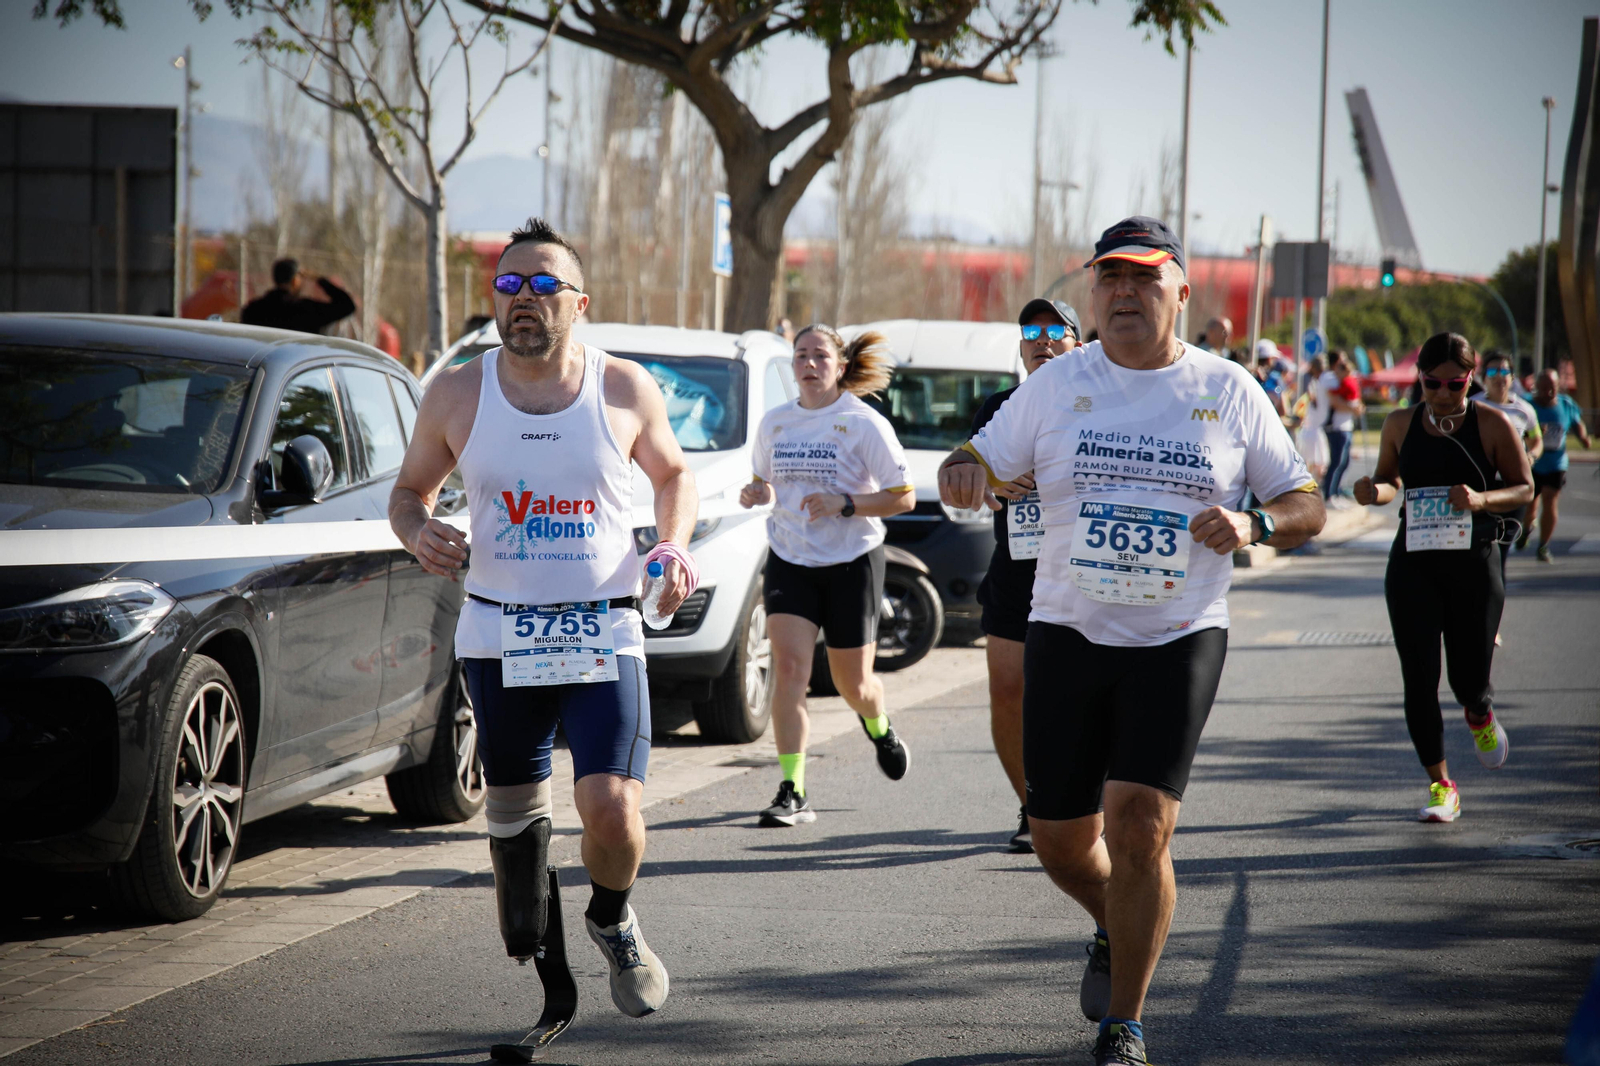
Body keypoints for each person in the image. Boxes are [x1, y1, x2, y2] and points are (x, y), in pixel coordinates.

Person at [939, 216, 1325, 1066]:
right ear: (1092, 291)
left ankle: (1125, 1026)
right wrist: (962, 470)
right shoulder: (1055, 383)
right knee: (1060, 842)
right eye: (1109, 277)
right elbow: (976, 457)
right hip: (1068, 631)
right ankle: (1117, 920)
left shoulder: (1228, 388)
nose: (1124, 292)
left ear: (1181, 291)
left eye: (1144, 278)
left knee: (1141, 824)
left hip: (1179, 635)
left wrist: (1255, 522)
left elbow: (1306, 503)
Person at [388, 217, 695, 1027]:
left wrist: (671, 547)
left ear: (579, 302)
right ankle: (549, 972)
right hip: (499, 637)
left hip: (603, 629)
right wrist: (418, 531)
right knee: (517, 861)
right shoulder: (457, 391)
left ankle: (613, 919)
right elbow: (408, 493)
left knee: (613, 810)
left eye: (543, 285)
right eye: (508, 284)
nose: (523, 299)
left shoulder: (623, 387)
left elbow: (674, 476)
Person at [739, 324, 915, 827]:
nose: (809, 364)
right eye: (801, 355)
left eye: (820, 355)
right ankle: (793, 789)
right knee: (789, 670)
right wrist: (757, 493)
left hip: (851, 562)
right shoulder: (776, 423)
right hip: (790, 558)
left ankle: (878, 724)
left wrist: (846, 504)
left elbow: (903, 497)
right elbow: (764, 483)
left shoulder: (862, 423)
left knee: (852, 684)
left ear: (840, 366)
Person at [1352, 333, 1532, 823]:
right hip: (1414, 563)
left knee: (1467, 679)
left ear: (1471, 378)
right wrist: (1372, 492)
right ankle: (1441, 785)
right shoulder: (1400, 422)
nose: (1443, 393)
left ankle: (1479, 711)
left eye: (1455, 384)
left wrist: (1480, 499)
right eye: (1433, 383)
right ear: (1421, 379)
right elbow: (1390, 480)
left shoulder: (1491, 423)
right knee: (1419, 679)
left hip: (1474, 562)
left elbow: (1524, 486)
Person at [970, 296, 1080, 854]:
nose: (1043, 342)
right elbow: (970, 476)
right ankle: (1033, 806)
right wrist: (989, 483)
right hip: (1015, 571)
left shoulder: (1095, 407)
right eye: (1032, 334)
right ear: (1020, 348)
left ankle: (1084, 800)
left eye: (1056, 332)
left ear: (1079, 346)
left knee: (1075, 697)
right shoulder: (998, 407)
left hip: (1080, 573)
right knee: (1008, 692)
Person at [1519, 368, 1592, 562]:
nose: (1548, 392)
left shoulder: (1566, 404)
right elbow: (1515, 429)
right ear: (1536, 387)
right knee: (1530, 505)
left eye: (1552, 388)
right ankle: (1526, 529)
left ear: (1558, 386)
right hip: (1532, 462)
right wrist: (1532, 433)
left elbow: (1577, 423)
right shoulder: (1526, 404)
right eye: (1544, 388)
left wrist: (1584, 438)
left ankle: (1543, 545)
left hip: (1556, 463)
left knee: (1551, 501)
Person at [241, 257, 356, 334]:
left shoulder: (253, 310)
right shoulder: (306, 309)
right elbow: (347, 306)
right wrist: (320, 279)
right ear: (295, 281)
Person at [1320, 350, 1363, 502]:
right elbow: (1334, 401)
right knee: (1336, 462)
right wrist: (1353, 408)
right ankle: (1329, 495)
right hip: (1337, 427)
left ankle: (1336, 492)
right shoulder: (1329, 378)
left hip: (1346, 426)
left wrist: (1355, 407)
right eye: (1341, 362)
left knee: (1343, 462)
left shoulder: (1346, 379)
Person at [1295, 355, 1330, 482]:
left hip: (1312, 424)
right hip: (1307, 425)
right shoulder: (1306, 379)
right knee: (1308, 458)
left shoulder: (1314, 380)